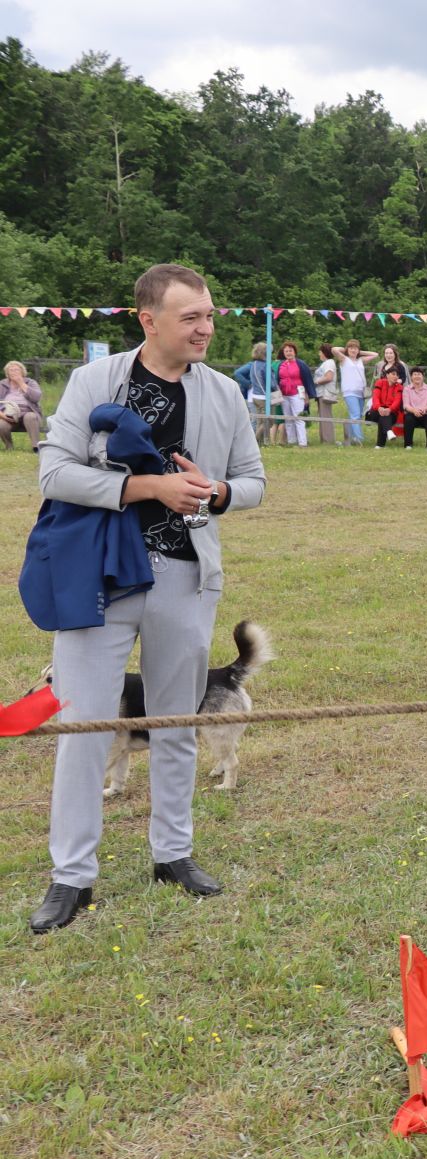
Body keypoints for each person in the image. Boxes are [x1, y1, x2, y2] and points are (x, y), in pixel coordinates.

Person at [29, 262, 267, 935]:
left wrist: (217, 491)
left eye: (210, 315)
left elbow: (252, 482)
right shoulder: (93, 382)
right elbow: (54, 471)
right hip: (96, 575)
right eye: (190, 316)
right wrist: (146, 490)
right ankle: (71, 877)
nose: (205, 328)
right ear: (149, 318)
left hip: (183, 578)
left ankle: (174, 854)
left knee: (174, 722)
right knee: (84, 728)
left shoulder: (224, 393)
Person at [329, 338, 375, 445]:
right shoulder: (344, 359)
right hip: (349, 392)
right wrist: (345, 350)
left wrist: (360, 351)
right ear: (347, 349)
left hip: (361, 392)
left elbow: (375, 354)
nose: (353, 350)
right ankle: (359, 439)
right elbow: (334, 349)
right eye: (351, 348)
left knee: (356, 415)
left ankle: (349, 439)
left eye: (355, 348)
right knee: (355, 415)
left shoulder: (360, 360)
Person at [273, 341, 316, 447]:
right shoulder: (281, 364)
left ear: (295, 352)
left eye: (290, 351)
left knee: (298, 418)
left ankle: (302, 443)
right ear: (283, 352)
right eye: (286, 351)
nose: (288, 353)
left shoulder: (301, 364)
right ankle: (292, 442)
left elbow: (307, 380)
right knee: (288, 419)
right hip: (284, 395)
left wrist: (307, 395)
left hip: (297, 394)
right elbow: (276, 379)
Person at [1, 360, 45, 450]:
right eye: (11, 370)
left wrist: (21, 383)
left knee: (30, 416)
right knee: (1, 424)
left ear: (22, 371)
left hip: (28, 412)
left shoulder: (31, 382)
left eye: (16, 370)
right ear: (7, 373)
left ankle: (36, 447)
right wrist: (2, 415)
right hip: (9, 415)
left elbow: (36, 397)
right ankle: (9, 447)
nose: (14, 372)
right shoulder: (2, 384)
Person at [236, 342, 270, 443]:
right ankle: (251, 441)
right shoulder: (253, 365)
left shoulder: (260, 364)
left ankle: (259, 440)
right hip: (254, 395)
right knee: (255, 420)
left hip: (256, 395)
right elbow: (238, 373)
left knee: (258, 420)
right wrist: (249, 384)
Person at [311, 345, 341, 445]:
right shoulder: (325, 363)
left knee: (326, 417)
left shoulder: (329, 363)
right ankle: (324, 439)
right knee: (322, 417)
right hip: (321, 393)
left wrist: (316, 382)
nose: (319, 354)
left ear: (324, 352)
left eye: (320, 352)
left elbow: (329, 377)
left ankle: (328, 440)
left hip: (325, 393)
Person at [367, 367, 403, 447]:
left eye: (397, 375)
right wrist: (379, 408)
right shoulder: (380, 383)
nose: (395, 376)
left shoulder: (399, 387)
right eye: (393, 374)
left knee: (383, 417)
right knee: (382, 415)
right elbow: (375, 398)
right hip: (376, 410)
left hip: (391, 413)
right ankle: (388, 432)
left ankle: (380, 444)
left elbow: (397, 401)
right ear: (387, 375)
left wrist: (389, 409)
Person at [400, 369, 427, 450]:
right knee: (408, 418)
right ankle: (408, 445)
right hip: (412, 413)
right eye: (415, 374)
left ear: (423, 376)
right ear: (411, 377)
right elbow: (406, 405)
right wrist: (414, 411)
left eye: (419, 374)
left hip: (425, 413)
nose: (417, 376)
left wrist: (424, 409)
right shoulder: (407, 389)